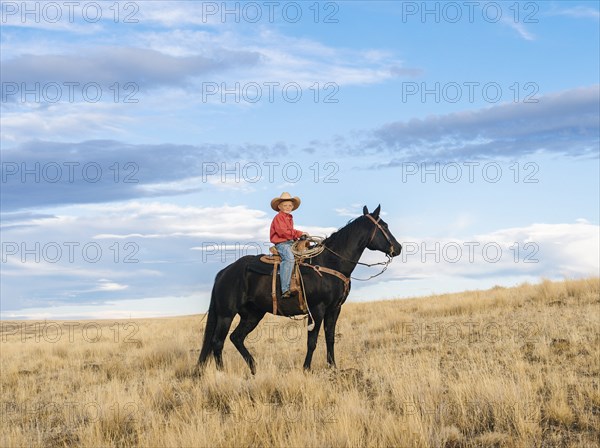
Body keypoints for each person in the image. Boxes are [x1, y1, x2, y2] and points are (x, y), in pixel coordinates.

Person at [270, 192, 306, 299]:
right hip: (282, 244)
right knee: (289, 259)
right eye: (285, 205)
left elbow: (290, 233)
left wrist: (300, 238)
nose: (287, 207)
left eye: (290, 205)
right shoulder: (278, 217)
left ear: (293, 207)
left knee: (304, 254)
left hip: (290, 242)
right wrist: (299, 233)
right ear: (279, 207)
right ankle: (285, 289)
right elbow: (283, 232)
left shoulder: (289, 218)